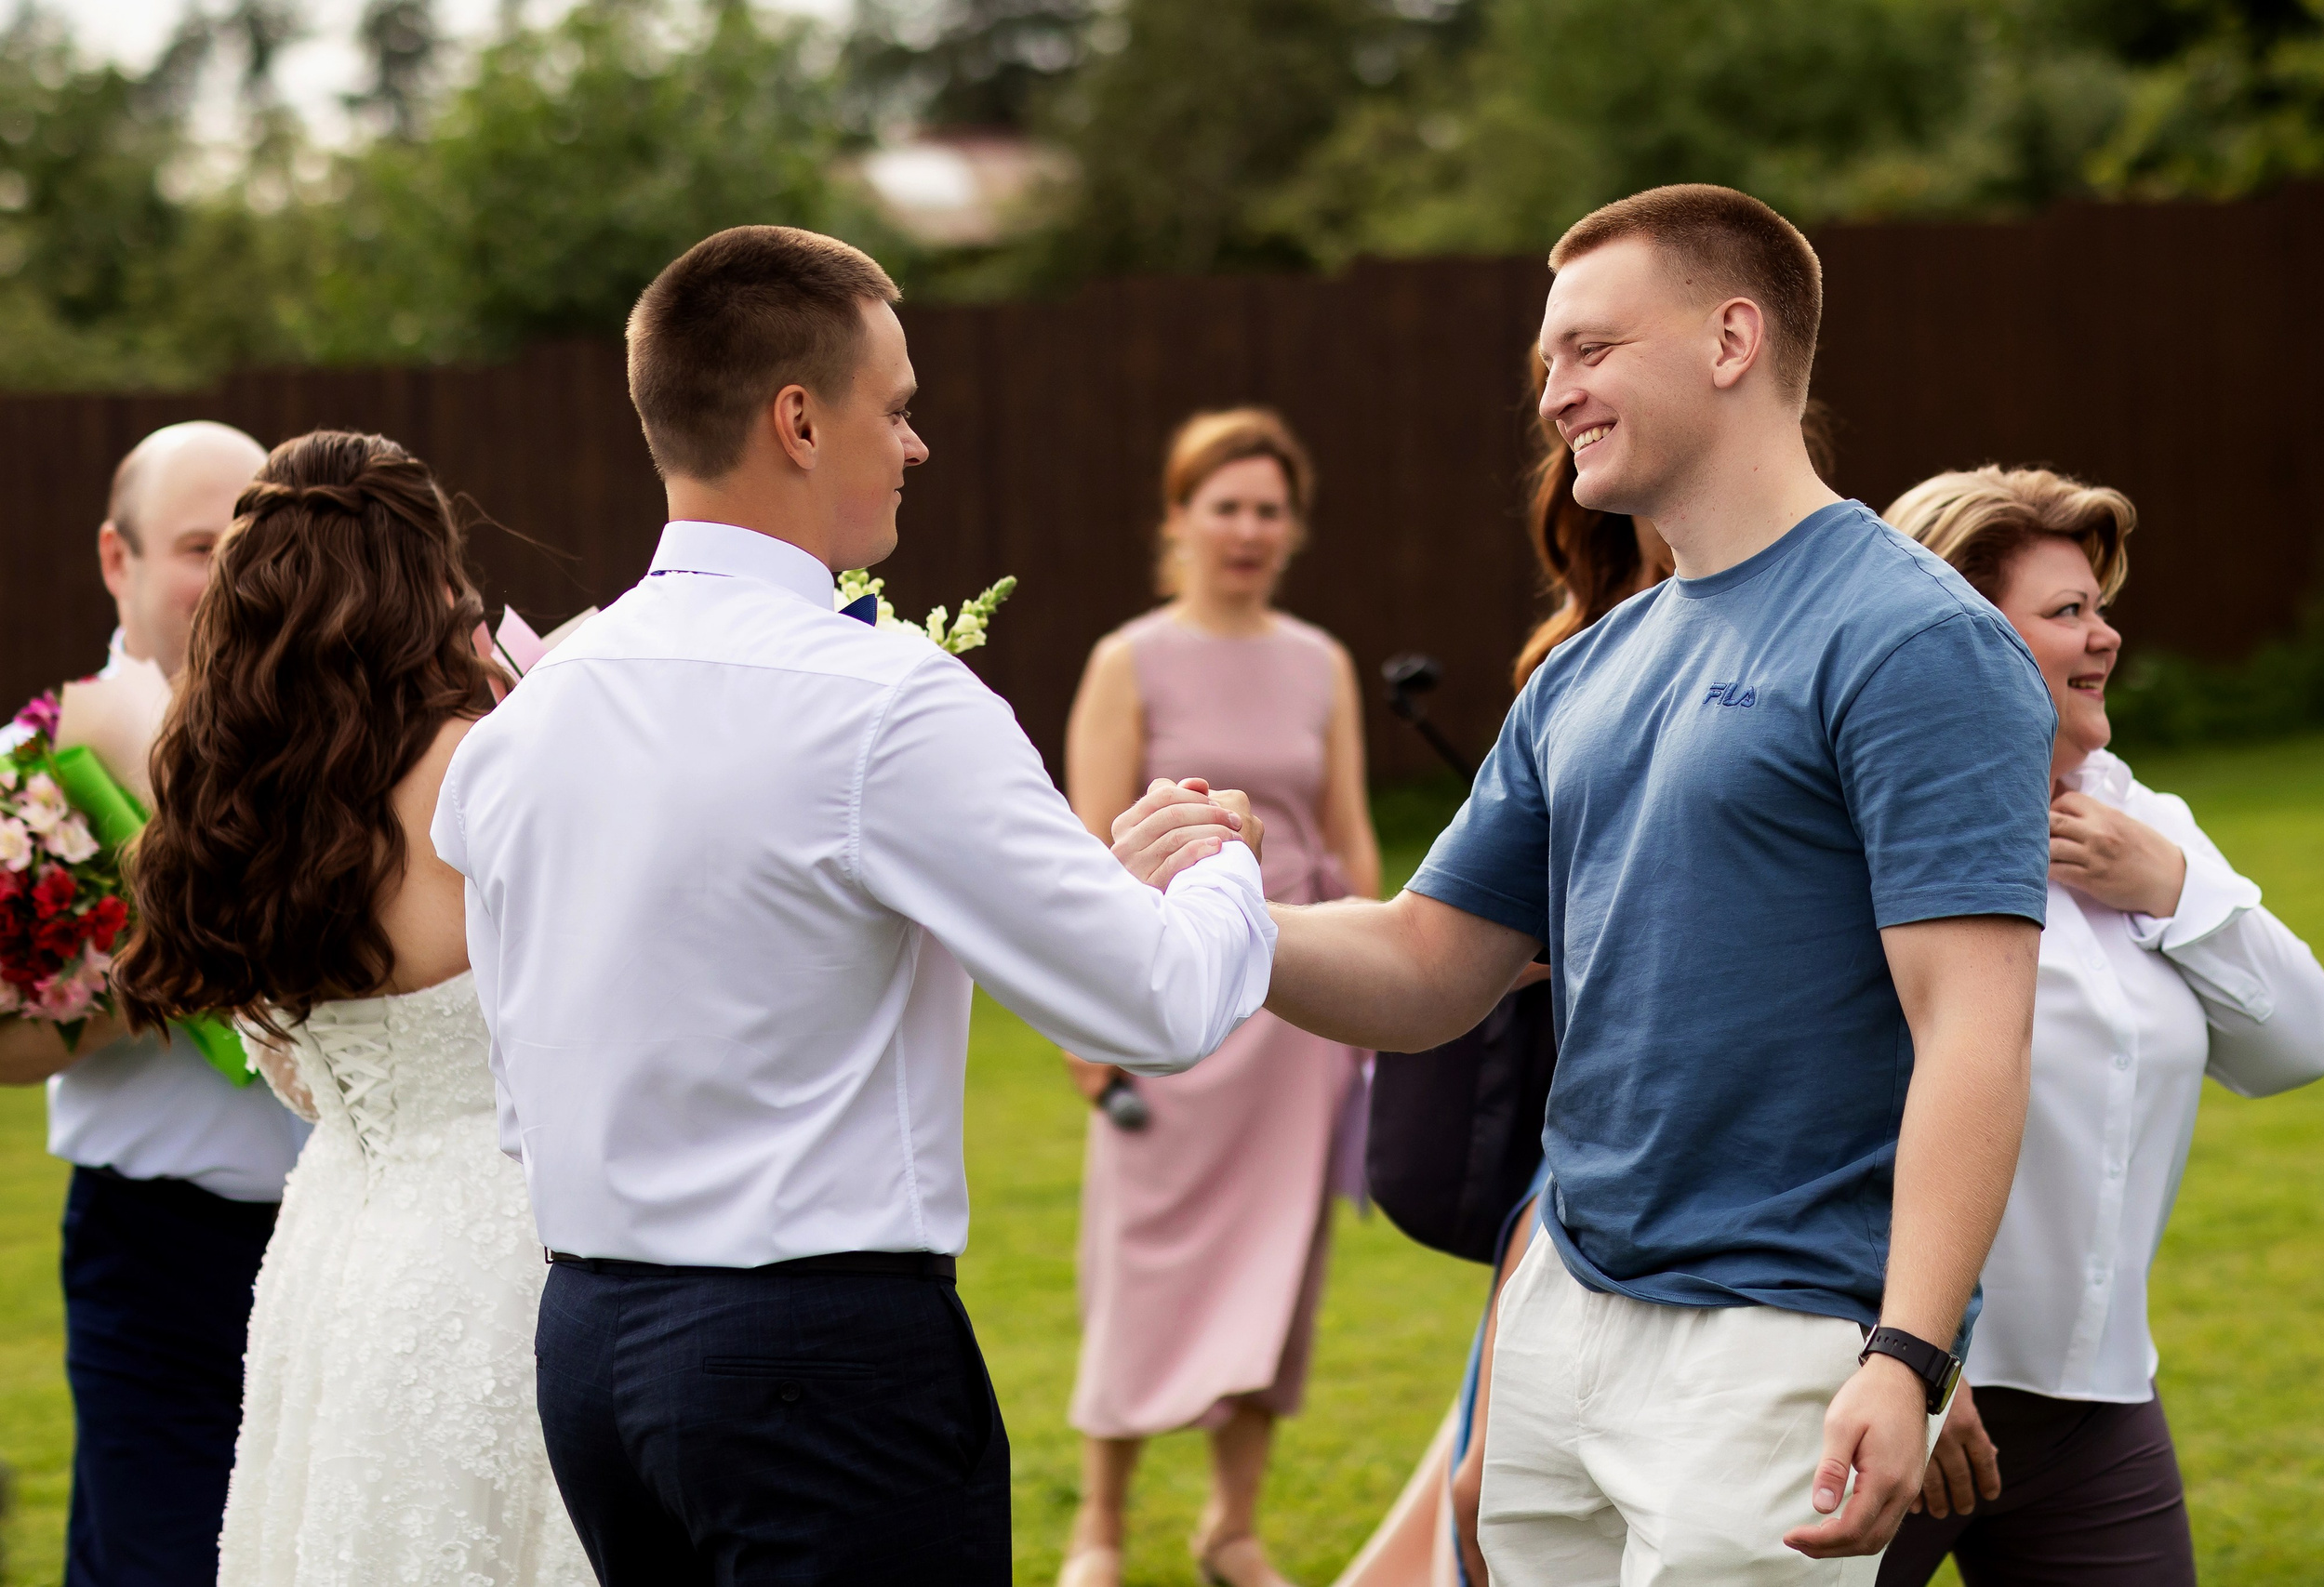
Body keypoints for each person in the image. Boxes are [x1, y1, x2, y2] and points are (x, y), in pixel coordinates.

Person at [431, 225, 1277, 1585]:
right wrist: (1219, 855)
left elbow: (520, 1076)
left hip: (590, 1344)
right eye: (897, 409)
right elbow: (1157, 1000)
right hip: (817, 1367)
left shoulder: (531, 717)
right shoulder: (885, 701)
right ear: (800, 421)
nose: (916, 445)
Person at [1256, 183, 2059, 1586]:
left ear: (1732, 340)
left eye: (1590, 349)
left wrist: (1908, 1352)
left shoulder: (1911, 640)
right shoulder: (1586, 669)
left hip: (1776, 1334)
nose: (1554, 394)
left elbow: (1974, 1032)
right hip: (1568, 1308)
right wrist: (1194, 924)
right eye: (1546, 362)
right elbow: (1429, 962)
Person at [113, 430, 590, 1585]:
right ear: (427, 577)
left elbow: (293, 1077)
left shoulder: (231, 791)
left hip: (332, 1248)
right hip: (502, 1246)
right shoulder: (482, 766)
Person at [1873, 466, 2324, 1586]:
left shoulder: (2140, 820)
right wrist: (1902, 1358)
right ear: (1966, 638)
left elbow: (2300, 1045)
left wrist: (2173, 887)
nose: (2106, 636)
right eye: (2068, 611)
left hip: (2096, 1408)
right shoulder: (1866, 831)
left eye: (2101, 606)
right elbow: (1802, 1119)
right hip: (1890, 1392)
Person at [1056, 408, 1379, 1587]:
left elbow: (1350, 836)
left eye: (1268, 511)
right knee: (1138, 1260)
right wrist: (1091, 1030)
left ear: (1293, 528)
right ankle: (1099, 1527)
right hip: (1170, 1007)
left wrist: (1372, 1005)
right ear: (1180, 518)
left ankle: (1231, 1528)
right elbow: (1088, 852)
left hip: (1295, 1010)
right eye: (1226, 507)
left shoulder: (1320, 662)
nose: (1248, 530)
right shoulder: (1128, 659)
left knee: (1276, 1265)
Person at [0, 420, 311, 1587]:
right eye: (195, 545)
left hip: (347, 1243)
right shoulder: (31, 776)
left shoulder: (347, 750)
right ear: (114, 558)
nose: (230, 569)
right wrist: (138, 982)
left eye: (255, 537)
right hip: (156, 1259)